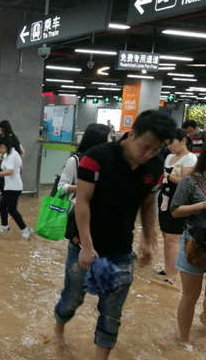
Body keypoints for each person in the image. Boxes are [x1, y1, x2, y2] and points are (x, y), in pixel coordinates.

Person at [54, 110, 177, 360]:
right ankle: (58, 330)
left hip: (121, 251)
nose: (148, 154)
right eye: (145, 147)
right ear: (131, 135)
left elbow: (147, 202)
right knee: (72, 300)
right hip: (82, 245)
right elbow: (83, 202)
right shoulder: (96, 158)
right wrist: (87, 247)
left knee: (111, 314)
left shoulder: (154, 166)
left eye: (155, 150)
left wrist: (147, 239)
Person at [171, 144, 206, 345]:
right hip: (195, 244)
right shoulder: (191, 181)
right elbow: (175, 211)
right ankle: (184, 340)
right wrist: (202, 205)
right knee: (190, 295)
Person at [157, 130, 197, 285]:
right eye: (167, 144)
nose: (169, 146)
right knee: (166, 237)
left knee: (173, 238)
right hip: (164, 198)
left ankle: (172, 276)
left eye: (172, 142)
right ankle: (168, 268)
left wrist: (168, 176)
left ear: (183, 141)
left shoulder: (190, 158)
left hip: (179, 200)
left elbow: (186, 183)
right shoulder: (168, 157)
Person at [57, 124, 111, 205]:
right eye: (109, 138)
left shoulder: (108, 161)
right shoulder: (75, 160)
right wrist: (82, 188)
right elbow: (60, 187)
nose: (111, 141)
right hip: (79, 208)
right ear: (99, 141)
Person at [0, 137, 32, 239]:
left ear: (3, 146)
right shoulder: (7, 155)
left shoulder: (12, 155)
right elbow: (20, 168)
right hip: (9, 186)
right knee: (2, 205)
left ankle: (25, 229)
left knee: (11, 209)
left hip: (14, 187)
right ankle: (5, 226)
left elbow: (10, 171)